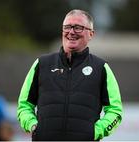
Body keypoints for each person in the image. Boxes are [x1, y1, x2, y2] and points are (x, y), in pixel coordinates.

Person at [17, 9, 123, 141]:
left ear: (91, 34)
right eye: (67, 27)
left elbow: (115, 111)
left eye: (78, 28)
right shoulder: (42, 64)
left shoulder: (101, 68)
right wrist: (33, 126)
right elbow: (24, 105)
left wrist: (94, 132)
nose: (71, 32)